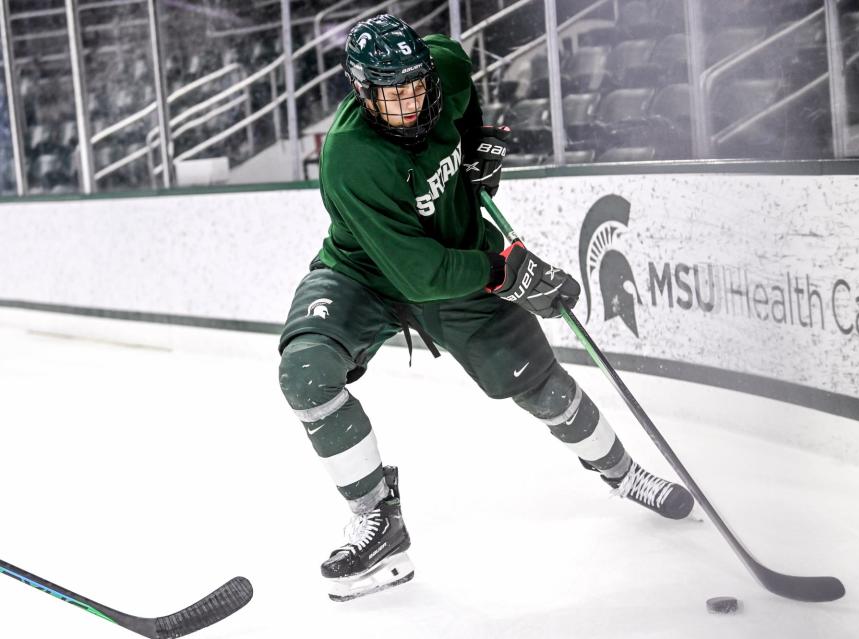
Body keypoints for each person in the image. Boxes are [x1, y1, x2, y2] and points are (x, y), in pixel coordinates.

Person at [277, 14, 693, 602]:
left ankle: (625, 475)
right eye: (390, 94)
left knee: (543, 388)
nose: (407, 103)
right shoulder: (352, 159)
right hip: (363, 273)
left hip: (455, 262)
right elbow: (418, 275)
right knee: (306, 373)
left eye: (415, 87)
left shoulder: (440, 70)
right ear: (362, 93)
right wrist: (506, 272)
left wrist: (473, 139)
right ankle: (379, 523)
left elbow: (457, 61)